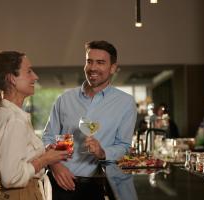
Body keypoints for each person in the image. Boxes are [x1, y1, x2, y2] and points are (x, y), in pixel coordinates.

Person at [42, 40, 137, 200]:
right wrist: (55, 165)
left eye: (100, 62)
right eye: (89, 61)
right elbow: (48, 137)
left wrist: (102, 152)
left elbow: (124, 146)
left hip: (97, 185)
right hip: (59, 181)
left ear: (113, 68)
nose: (93, 68)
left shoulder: (125, 103)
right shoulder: (65, 99)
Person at [0, 51, 69, 200]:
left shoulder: (5, 114)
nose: (35, 76)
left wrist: (42, 153)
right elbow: (11, 177)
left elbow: (11, 162)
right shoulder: (14, 120)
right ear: (11, 79)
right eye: (28, 71)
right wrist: (46, 159)